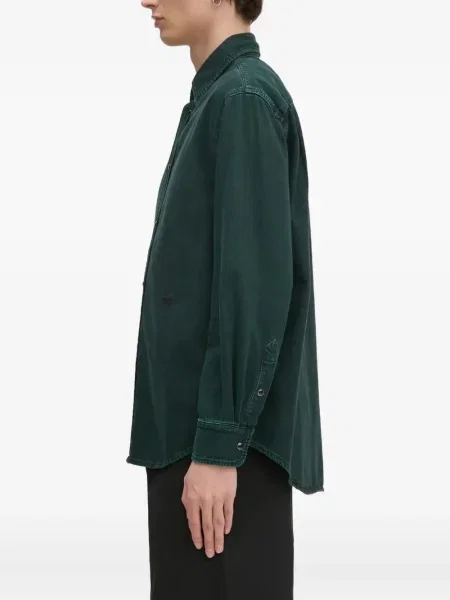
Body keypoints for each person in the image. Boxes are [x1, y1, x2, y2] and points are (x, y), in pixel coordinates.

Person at [126, 0, 324, 597]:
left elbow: (254, 284)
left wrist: (218, 446)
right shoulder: (219, 97)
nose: (146, 0)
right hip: (198, 445)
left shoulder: (242, 99)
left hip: (222, 456)